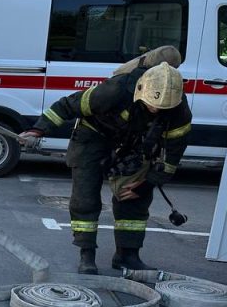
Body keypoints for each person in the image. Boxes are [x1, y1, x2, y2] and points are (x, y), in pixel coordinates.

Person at [19, 49, 190, 274]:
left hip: (130, 144)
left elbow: (172, 156)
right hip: (92, 137)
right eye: (152, 105)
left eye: (162, 108)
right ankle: (87, 254)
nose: (156, 110)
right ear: (140, 90)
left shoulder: (179, 109)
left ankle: (127, 256)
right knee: (85, 198)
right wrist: (38, 129)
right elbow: (67, 105)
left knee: (134, 198)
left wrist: (148, 182)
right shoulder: (115, 90)